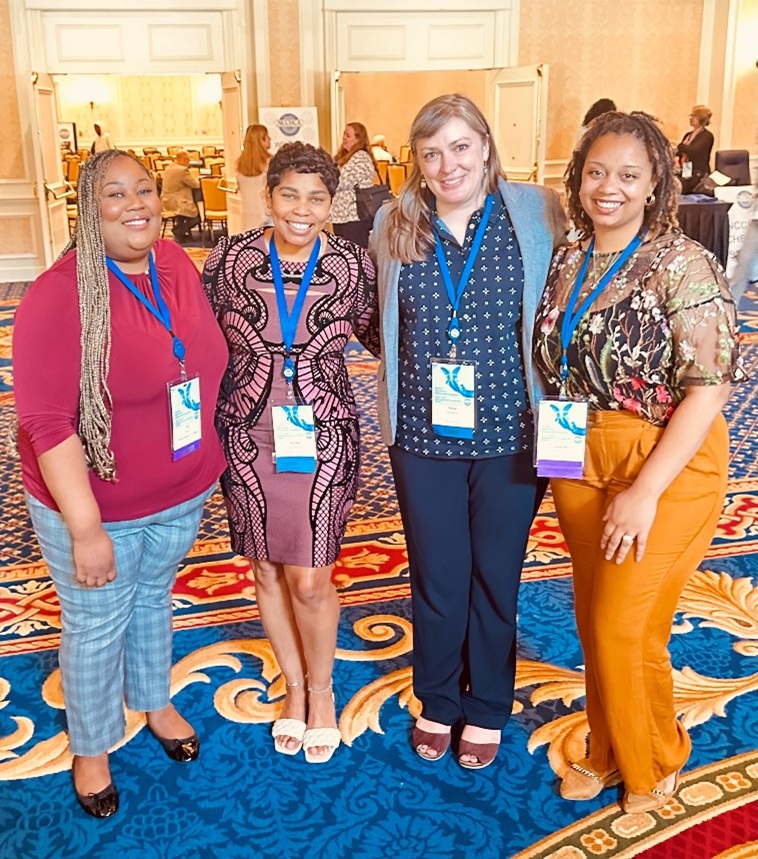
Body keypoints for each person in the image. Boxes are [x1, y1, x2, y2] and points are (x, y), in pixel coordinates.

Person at [533, 111, 744, 814]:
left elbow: (709, 387)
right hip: (578, 448)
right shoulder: (569, 256)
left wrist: (645, 490)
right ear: (578, 176)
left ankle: (656, 758)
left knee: (627, 624)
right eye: (597, 171)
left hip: (665, 459)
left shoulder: (684, 264)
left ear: (656, 181)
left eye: (628, 174)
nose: (609, 187)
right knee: (597, 619)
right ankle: (606, 747)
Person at [13, 149, 228, 818]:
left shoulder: (172, 264)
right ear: (87, 208)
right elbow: (47, 424)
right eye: (115, 195)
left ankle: (154, 700)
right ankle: (93, 746)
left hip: (180, 489)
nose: (136, 204)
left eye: (145, 190)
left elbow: (196, 358)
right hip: (96, 505)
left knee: (154, 599)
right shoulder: (58, 295)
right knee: (96, 622)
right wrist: (84, 528)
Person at [369, 93, 565, 769]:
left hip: (512, 432)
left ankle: (486, 706)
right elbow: (377, 324)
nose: (447, 163)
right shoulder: (393, 223)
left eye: (459, 146)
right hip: (422, 437)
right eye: (430, 152)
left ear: (485, 144)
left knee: (495, 575)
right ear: (416, 163)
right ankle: (439, 698)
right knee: (438, 574)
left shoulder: (537, 212)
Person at [202, 141, 379, 764]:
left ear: (332, 203)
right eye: (289, 195)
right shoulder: (229, 258)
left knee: (309, 576)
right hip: (245, 428)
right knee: (266, 570)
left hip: (323, 429)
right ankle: (295, 691)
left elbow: (390, 339)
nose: (302, 210)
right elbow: (196, 340)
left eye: (317, 198)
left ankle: (324, 693)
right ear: (268, 195)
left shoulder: (355, 266)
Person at [331, 121, 378, 248]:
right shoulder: (347, 156)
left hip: (353, 217)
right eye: (344, 135)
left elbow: (340, 182)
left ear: (358, 139)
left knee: (355, 257)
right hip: (342, 217)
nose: (343, 138)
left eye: (347, 135)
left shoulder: (360, 157)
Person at [236, 123, 272, 230]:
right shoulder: (270, 163)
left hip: (248, 216)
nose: (270, 138)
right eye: (267, 136)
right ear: (261, 140)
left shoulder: (240, 165)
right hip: (266, 215)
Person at [160, 149, 201, 243]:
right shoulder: (182, 170)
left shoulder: (169, 167)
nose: (189, 162)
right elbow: (195, 185)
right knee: (196, 218)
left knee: (187, 215)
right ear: (184, 160)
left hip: (166, 201)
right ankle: (178, 231)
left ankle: (180, 230)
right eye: (188, 160)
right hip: (176, 202)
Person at [676, 105, 714, 192]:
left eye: (694, 116)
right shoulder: (688, 135)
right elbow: (680, 152)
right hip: (685, 172)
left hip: (698, 175)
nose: (691, 118)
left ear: (701, 118)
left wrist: (679, 145)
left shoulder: (707, 136)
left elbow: (693, 151)